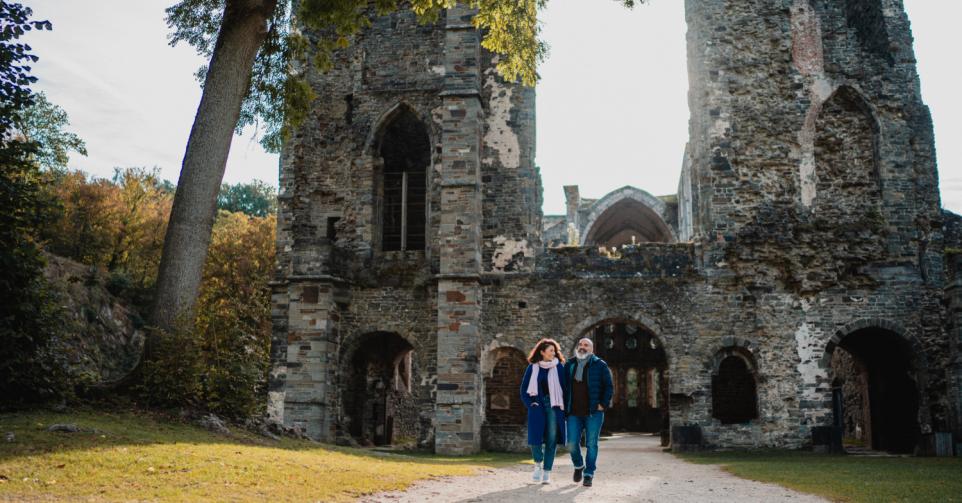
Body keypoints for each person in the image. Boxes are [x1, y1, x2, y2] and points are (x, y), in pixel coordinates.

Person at [564, 337, 612, 487]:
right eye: (580, 344)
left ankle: (589, 474)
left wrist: (603, 404)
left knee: (592, 444)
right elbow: (563, 386)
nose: (582, 347)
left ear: (592, 349)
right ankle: (579, 465)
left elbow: (608, 386)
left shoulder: (600, 365)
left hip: (593, 413)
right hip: (573, 412)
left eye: (586, 345)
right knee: (571, 443)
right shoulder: (570, 364)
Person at [519, 338, 568, 484]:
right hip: (537, 406)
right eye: (551, 350)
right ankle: (537, 465)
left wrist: (566, 408)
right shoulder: (532, 367)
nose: (554, 353)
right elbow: (524, 389)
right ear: (542, 352)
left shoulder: (559, 367)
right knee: (535, 438)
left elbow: (566, 389)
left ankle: (547, 471)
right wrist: (530, 404)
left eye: (555, 350)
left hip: (554, 406)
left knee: (551, 439)